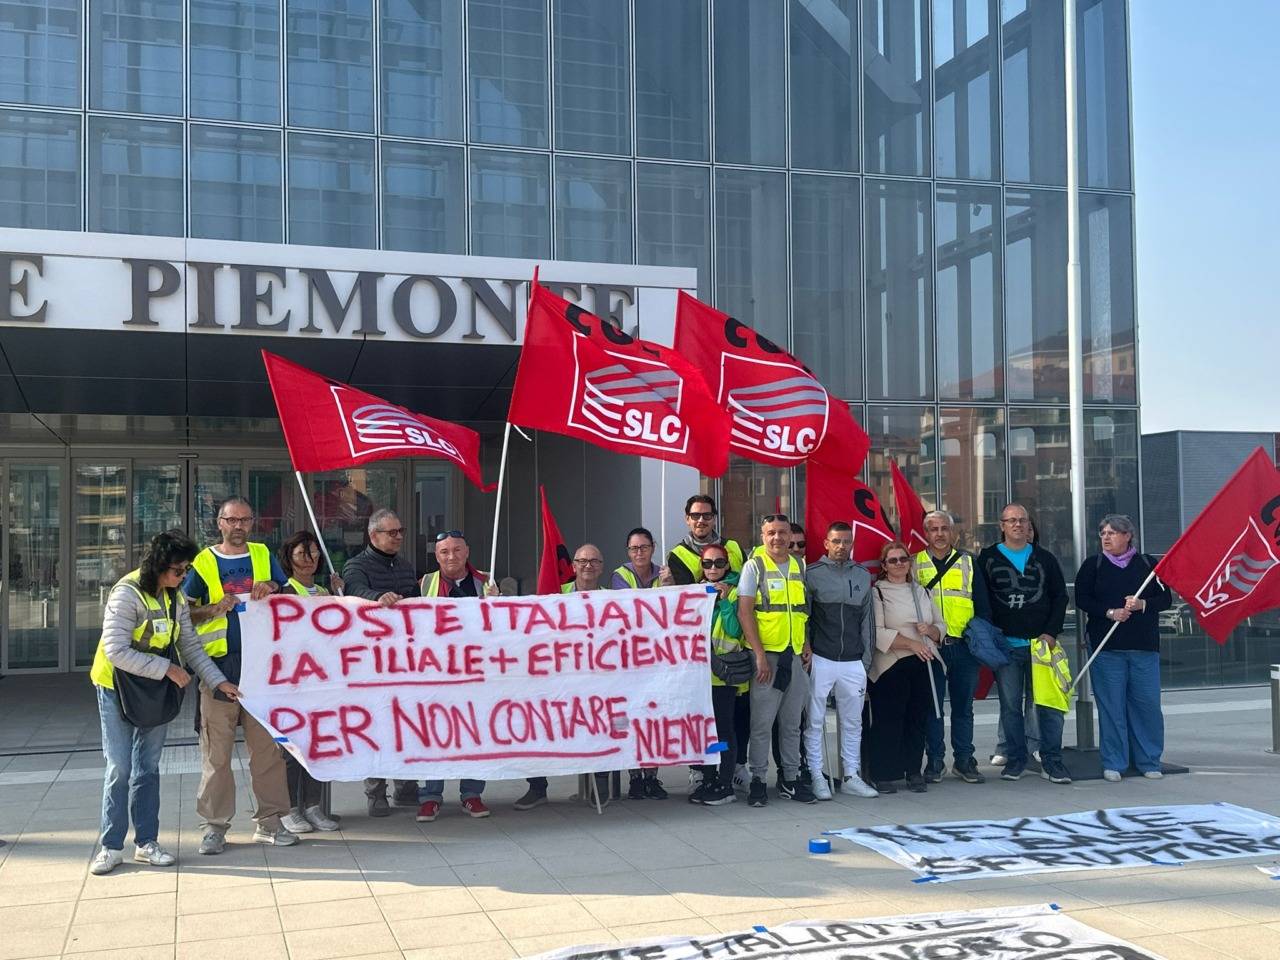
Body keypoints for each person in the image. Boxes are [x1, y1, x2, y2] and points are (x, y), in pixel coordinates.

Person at [89, 531, 240, 875]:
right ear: (158, 566)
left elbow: (191, 646)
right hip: (117, 687)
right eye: (178, 570)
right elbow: (115, 649)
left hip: (153, 688)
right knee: (120, 768)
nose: (183, 576)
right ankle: (111, 847)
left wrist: (218, 681)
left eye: (186, 569)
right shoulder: (126, 594)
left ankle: (146, 843)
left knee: (148, 767)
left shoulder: (175, 597)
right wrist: (167, 668)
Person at [184, 498, 295, 853]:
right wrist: (215, 608)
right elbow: (184, 616)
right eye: (232, 520)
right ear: (219, 523)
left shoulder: (264, 554)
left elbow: (289, 596)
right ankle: (215, 827)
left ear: (253, 523)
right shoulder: (203, 561)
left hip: (261, 667)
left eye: (245, 519)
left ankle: (271, 822)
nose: (239, 526)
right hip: (219, 668)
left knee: (267, 752)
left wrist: (274, 588)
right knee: (216, 754)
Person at [515, 544, 617, 809]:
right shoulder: (554, 597)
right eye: (582, 561)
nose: (588, 566)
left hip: (598, 680)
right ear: (572, 566)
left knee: (603, 724)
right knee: (537, 722)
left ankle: (601, 781)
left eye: (595, 561)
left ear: (602, 567)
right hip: (559, 679)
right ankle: (537, 787)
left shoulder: (615, 600)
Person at [1073, 514, 1173, 782]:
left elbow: (1166, 598)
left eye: (1112, 533)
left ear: (1127, 535)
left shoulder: (1148, 564)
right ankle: (1115, 762)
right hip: (1107, 650)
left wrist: (1143, 605)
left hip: (1144, 647)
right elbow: (1082, 598)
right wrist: (1109, 612)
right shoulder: (1092, 566)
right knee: (1112, 708)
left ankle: (1148, 760)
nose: (1106, 537)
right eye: (1103, 533)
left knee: (1147, 707)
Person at [977, 504, 1071, 784]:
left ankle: (1052, 761)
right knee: (1010, 707)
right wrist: (992, 636)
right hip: (1007, 648)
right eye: (1012, 520)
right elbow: (981, 600)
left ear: (1029, 525)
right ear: (1002, 525)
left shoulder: (1045, 558)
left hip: (1041, 647)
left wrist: (1051, 633)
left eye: (1023, 520)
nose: (1018, 525)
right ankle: (1017, 759)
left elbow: (1060, 597)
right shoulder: (988, 558)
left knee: (1049, 707)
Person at [343, 508, 422, 815]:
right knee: (376, 727)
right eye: (392, 532)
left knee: (408, 725)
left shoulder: (404, 566)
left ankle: (407, 786)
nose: (398, 536)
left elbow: (419, 605)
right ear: (373, 536)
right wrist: (377, 598)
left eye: (400, 531)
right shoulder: (356, 565)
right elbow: (354, 590)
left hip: (406, 660)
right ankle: (376, 792)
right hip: (371, 663)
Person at [417, 530, 498, 821]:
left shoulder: (487, 581)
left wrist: (498, 603)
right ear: (436, 556)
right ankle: (430, 796)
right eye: (444, 552)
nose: (451, 557)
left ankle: (472, 794)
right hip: (436, 673)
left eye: (456, 550)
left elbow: (507, 626)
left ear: (467, 552)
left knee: (475, 733)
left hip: (477, 674)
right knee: (434, 734)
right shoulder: (426, 583)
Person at [739, 514, 812, 807]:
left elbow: (801, 609)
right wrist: (758, 655)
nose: (778, 538)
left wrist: (806, 642)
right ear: (762, 535)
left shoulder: (798, 565)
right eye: (771, 533)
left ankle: (790, 779)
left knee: (792, 724)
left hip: (795, 655)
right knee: (761, 724)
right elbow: (745, 613)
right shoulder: (753, 566)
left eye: (782, 533)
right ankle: (758, 779)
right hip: (767, 657)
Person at [915, 511, 992, 785]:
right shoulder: (915, 564)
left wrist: (981, 639)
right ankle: (935, 761)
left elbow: (983, 605)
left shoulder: (969, 562)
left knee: (963, 708)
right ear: (925, 533)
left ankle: (964, 760)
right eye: (933, 529)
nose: (939, 533)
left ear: (952, 532)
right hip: (930, 649)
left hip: (964, 647)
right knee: (933, 709)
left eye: (944, 528)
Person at [803, 522, 879, 800]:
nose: (841, 546)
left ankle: (851, 775)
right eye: (836, 541)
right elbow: (805, 618)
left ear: (852, 543)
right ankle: (816, 774)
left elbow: (867, 621)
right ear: (826, 543)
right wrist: (807, 652)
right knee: (814, 721)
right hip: (821, 658)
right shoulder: (811, 574)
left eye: (846, 541)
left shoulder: (861, 574)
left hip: (853, 661)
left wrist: (865, 662)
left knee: (852, 722)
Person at [865, 540, 945, 794]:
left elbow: (941, 626)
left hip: (923, 663)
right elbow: (876, 632)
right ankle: (883, 774)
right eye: (893, 560)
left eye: (903, 559)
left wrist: (930, 630)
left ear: (909, 562)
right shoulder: (877, 592)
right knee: (888, 721)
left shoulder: (921, 591)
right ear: (884, 565)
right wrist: (911, 643)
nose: (899, 564)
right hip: (892, 664)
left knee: (916, 720)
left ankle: (913, 771)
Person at [276, 530, 342, 835]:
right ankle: (290, 809)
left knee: (319, 746)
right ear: (290, 558)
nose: (310, 559)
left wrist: (340, 599)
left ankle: (313, 806)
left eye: (315, 553)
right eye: (303, 554)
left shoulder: (324, 593)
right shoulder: (282, 594)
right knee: (291, 750)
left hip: (322, 684)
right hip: (292, 684)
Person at [609, 527, 668, 799]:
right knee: (630, 720)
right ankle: (634, 777)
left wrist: (670, 587)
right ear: (628, 552)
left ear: (653, 548)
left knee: (654, 719)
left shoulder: (664, 575)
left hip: (657, 658)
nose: (639, 553)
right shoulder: (620, 576)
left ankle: (652, 777)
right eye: (634, 549)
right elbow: (629, 610)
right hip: (628, 660)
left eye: (644, 547)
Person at [688, 543, 743, 806]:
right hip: (697, 678)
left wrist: (724, 603)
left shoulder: (735, 592)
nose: (713, 568)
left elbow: (735, 631)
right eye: (708, 563)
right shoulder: (694, 592)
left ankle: (725, 783)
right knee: (702, 732)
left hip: (723, 676)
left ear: (728, 565)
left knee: (722, 731)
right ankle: (708, 778)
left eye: (719, 563)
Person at [665, 495, 745, 584]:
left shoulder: (734, 547)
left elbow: (749, 583)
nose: (701, 520)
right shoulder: (677, 556)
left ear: (714, 519)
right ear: (687, 519)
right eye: (695, 515)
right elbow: (684, 594)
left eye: (707, 515)